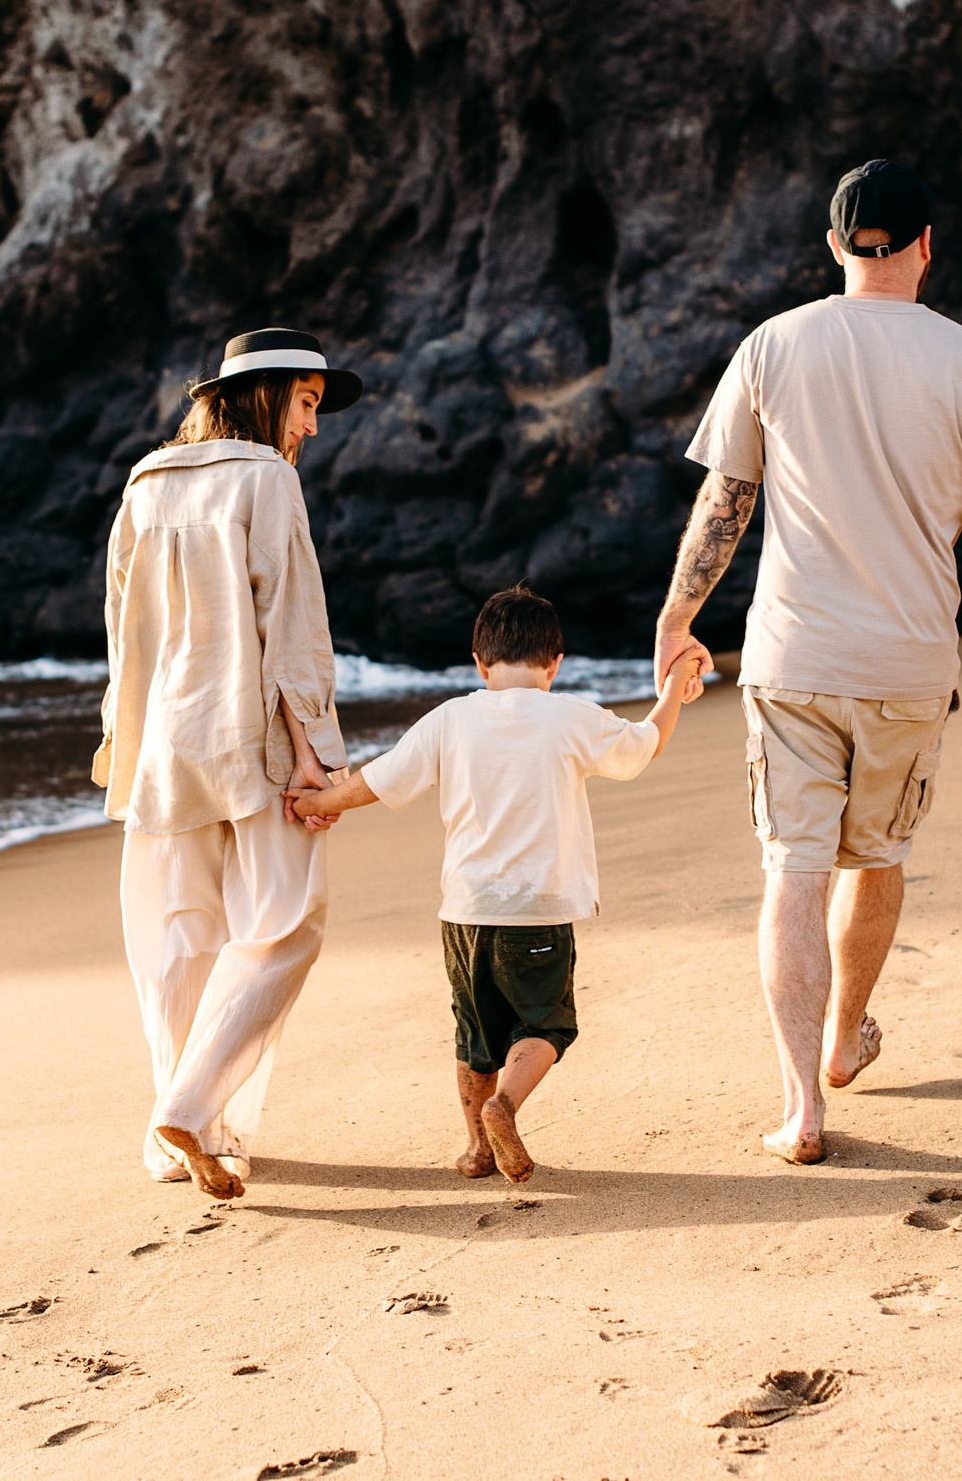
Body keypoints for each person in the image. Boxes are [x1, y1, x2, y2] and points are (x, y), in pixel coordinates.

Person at [653, 160, 962, 1166]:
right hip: (909, 666)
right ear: (927, 245)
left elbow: (727, 501)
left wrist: (677, 615)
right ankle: (844, 1036)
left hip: (793, 659)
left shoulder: (771, 345)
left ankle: (800, 1109)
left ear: (833, 245)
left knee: (792, 870)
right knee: (874, 857)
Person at [290, 584, 702, 1183]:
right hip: (537, 912)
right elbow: (645, 745)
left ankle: (478, 1149)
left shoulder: (449, 719)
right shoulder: (571, 717)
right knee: (545, 1027)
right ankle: (504, 1106)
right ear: (555, 664)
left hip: (464, 913)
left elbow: (377, 781)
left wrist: (316, 802)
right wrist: (675, 684)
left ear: (480, 663)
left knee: (474, 1036)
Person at [95, 327, 367, 1200]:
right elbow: (291, 625)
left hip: (165, 743)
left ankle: (183, 1136)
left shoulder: (144, 480)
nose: (311, 427)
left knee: (176, 940)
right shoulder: (269, 478)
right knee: (287, 927)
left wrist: (121, 742)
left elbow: (121, 632)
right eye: (307, 403)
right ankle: (190, 1109)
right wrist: (315, 757)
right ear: (266, 394)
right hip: (252, 739)